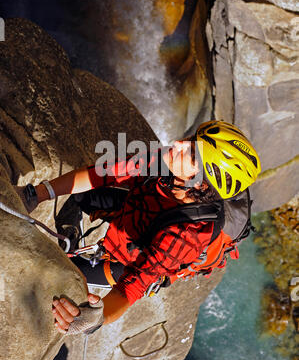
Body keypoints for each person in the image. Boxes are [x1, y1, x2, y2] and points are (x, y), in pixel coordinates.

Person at [18, 120, 261, 335]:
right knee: (82, 195)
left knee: (64, 270)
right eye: (191, 140)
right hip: (142, 211)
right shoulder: (164, 163)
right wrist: (36, 194)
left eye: (192, 155)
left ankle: (74, 250)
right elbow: (104, 174)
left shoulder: (188, 234)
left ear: (202, 186)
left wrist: (93, 320)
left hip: (127, 261)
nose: (178, 144)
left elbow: (132, 286)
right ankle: (73, 236)